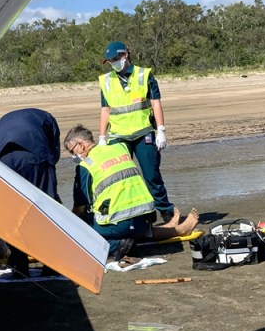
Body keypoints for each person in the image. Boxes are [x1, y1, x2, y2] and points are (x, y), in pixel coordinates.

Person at [64, 124, 198, 265]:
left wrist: (71, 226)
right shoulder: (119, 148)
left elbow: (80, 207)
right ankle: (175, 229)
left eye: (72, 151)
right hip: (144, 217)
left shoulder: (86, 166)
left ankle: (120, 246)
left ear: (81, 145)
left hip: (121, 221)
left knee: (83, 232)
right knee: (134, 228)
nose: (74, 156)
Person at [98, 41, 176, 223]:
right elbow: (105, 110)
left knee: (151, 175)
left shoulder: (144, 75)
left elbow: (156, 103)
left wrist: (161, 130)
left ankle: (166, 212)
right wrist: (102, 137)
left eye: (115, 59)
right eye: (109, 61)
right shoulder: (106, 81)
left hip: (143, 132)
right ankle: (136, 215)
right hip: (118, 136)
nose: (113, 63)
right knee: (123, 178)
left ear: (125, 55)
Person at [0, 108, 62, 277]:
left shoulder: (3, 120)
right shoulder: (47, 118)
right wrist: (48, 174)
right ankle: (51, 264)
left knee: (10, 212)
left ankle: (19, 263)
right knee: (47, 208)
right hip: (34, 155)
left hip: (1, 161)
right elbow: (53, 152)